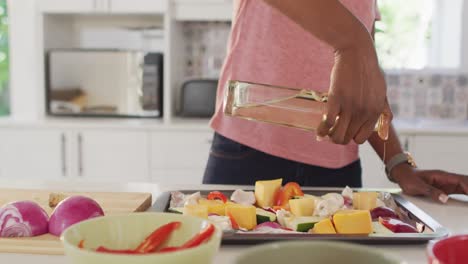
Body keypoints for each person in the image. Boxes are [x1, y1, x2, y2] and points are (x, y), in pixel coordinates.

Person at [203, 0, 468, 203]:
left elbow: (364, 81)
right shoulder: (354, 40)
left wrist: (398, 163)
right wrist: (354, 43)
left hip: (338, 169)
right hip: (250, 154)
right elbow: (357, 48)